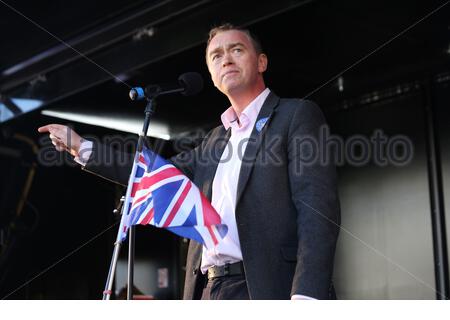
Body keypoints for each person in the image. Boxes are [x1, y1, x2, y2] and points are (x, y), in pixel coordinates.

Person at [38, 23, 340, 300]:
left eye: (237, 49)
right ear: (211, 74)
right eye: (216, 55)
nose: (226, 59)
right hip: (209, 289)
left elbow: (317, 210)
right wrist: (82, 147)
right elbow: (153, 174)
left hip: (269, 288)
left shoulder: (295, 115)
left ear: (261, 62)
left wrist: (307, 296)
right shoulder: (213, 140)